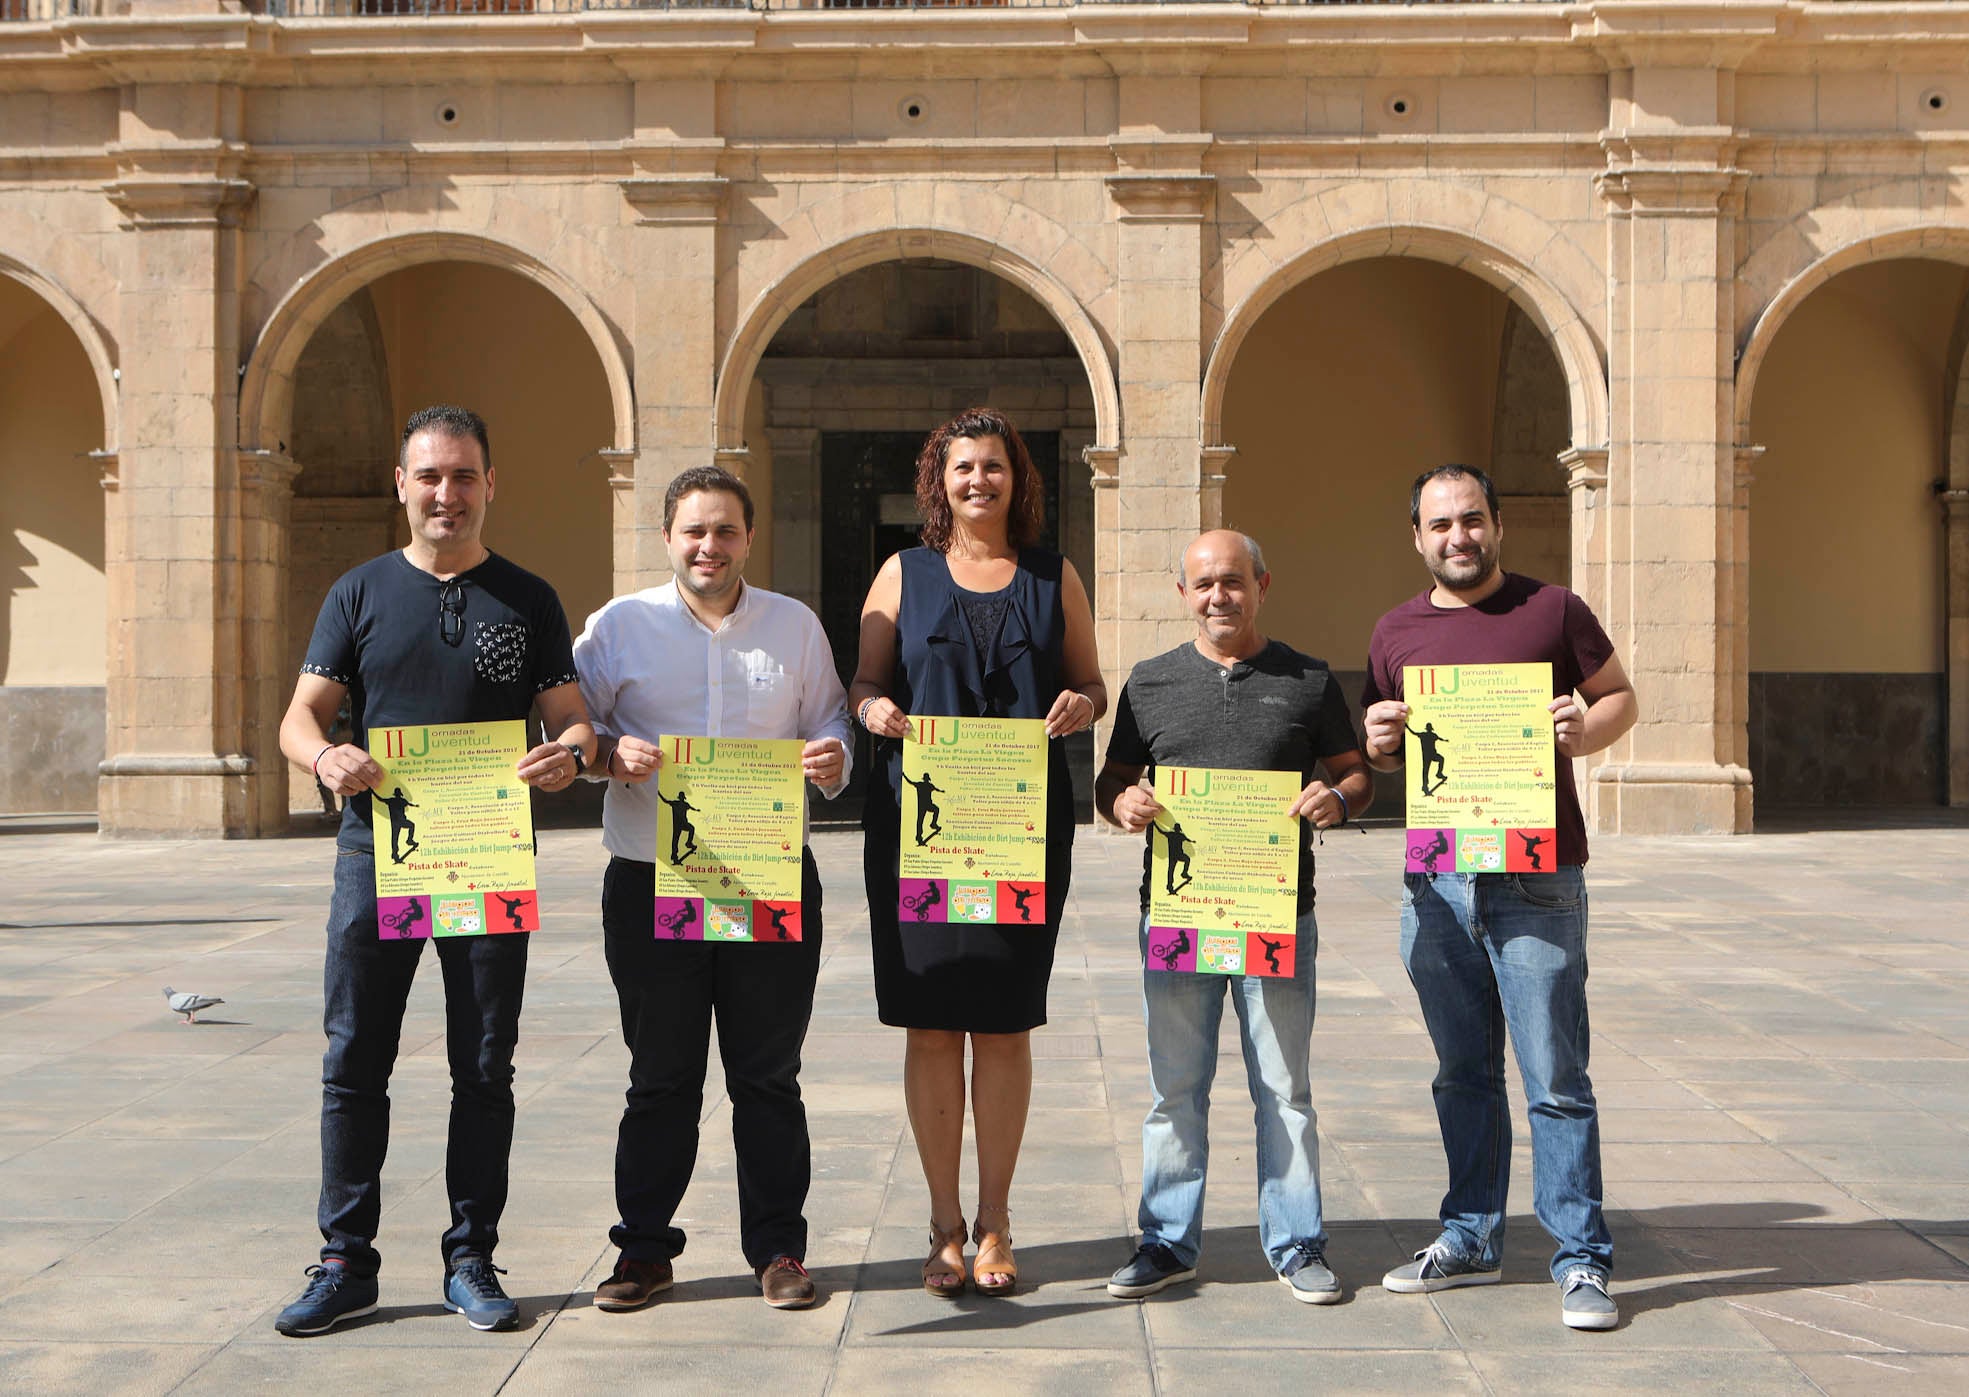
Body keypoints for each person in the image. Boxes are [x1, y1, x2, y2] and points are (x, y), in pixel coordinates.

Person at [273, 405, 596, 1337]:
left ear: (490, 485)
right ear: (402, 485)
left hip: (486, 858)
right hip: (377, 856)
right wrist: (324, 758)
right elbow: (303, 714)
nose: (445, 493)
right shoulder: (359, 591)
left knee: (484, 1066)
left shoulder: (528, 597)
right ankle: (345, 1259)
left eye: (463, 476)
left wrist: (568, 753)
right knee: (353, 1062)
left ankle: (472, 1255)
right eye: (429, 476)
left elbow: (571, 717)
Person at [1361, 463, 1637, 1332]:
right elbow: (1386, 749)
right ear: (1416, 536)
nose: (1458, 537)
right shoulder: (1393, 629)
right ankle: (1471, 1235)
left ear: (1497, 524)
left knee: (1555, 1074)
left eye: (1471, 520)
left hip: (1536, 876)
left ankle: (1581, 1259)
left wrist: (1583, 728)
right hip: (1437, 882)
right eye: (1439, 525)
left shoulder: (1552, 609)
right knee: (1461, 1072)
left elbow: (1619, 697)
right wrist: (1373, 742)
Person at [572, 465, 852, 1314]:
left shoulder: (794, 627)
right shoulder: (617, 627)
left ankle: (777, 1248)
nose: (709, 545)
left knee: (767, 1075)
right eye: (694, 530)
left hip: (767, 879)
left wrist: (833, 757)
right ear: (666, 537)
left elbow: (830, 717)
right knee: (659, 1075)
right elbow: (574, 728)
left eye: (725, 530)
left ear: (748, 538)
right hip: (652, 881)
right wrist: (605, 751)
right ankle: (643, 1252)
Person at [850, 406, 1105, 1298]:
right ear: (939, 480)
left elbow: (1090, 680)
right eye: (962, 467)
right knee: (930, 1020)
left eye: (992, 467)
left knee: (1001, 1021)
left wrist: (1081, 704)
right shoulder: (901, 572)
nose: (977, 481)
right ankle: (943, 1223)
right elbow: (867, 683)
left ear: (1015, 479)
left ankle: (996, 1219)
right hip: (919, 825)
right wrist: (873, 710)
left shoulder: (1052, 573)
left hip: (1020, 826)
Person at [1094, 530, 1372, 1305]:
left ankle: (1296, 1242)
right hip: (1177, 918)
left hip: (1276, 915)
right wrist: (1122, 802)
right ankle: (1166, 1241)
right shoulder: (1149, 683)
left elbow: (1355, 773)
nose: (1219, 595)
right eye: (1203, 583)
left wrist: (1338, 797)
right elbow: (1111, 777)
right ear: (1181, 593)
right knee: (1173, 1088)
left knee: (1284, 1088)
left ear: (1262, 583)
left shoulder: (1309, 680)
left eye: (1234, 580)